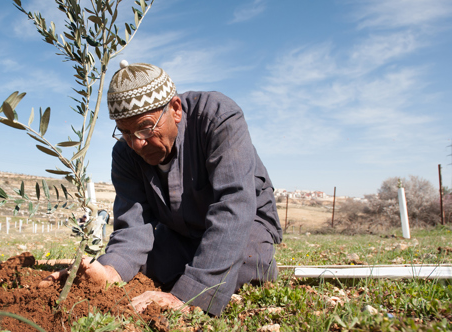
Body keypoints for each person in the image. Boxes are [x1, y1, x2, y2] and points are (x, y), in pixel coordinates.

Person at [41, 61, 282, 316]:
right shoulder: (124, 154)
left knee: (247, 261)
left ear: (175, 110)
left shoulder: (218, 118)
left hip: (247, 224)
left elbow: (235, 204)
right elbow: (133, 228)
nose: (137, 143)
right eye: (125, 132)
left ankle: (226, 273)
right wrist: (108, 271)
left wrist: (187, 297)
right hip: (181, 233)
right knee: (144, 266)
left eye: (145, 127)